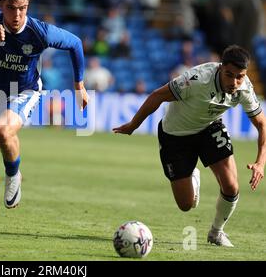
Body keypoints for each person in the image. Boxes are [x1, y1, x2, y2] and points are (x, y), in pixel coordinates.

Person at [0, 0, 89, 230]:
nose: (17, 14)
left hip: (24, 91)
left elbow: (75, 43)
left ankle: (13, 173)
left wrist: (79, 85)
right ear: (2, 5)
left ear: (28, 6)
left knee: (2, 130)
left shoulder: (39, 31)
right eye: (11, 8)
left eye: (22, 8)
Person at [113, 45, 265, 247]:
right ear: (220, 68)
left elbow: (262, 124)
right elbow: (157, 96)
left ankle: (216, 232)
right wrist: (133, 125)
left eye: (240, 76)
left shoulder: (244, 87)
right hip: (176, 136)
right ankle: (192, 176)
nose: (235, 82)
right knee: (186, 205)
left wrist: (260, 163)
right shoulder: (197, 80)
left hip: (209, 128)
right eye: (230, 75)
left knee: (231, 185)